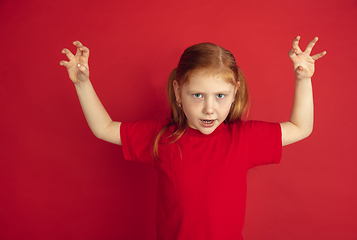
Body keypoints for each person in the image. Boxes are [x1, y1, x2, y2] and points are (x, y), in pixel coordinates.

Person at [60, 37, 326, 240]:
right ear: (178, 92)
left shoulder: (243, 139)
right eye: (197, 95)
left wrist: (303, 79)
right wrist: (82, 84)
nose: (209, 108)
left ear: (235, 92)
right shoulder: (162, 138)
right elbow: (104, 127)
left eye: (220, 96)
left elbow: (300, 127)